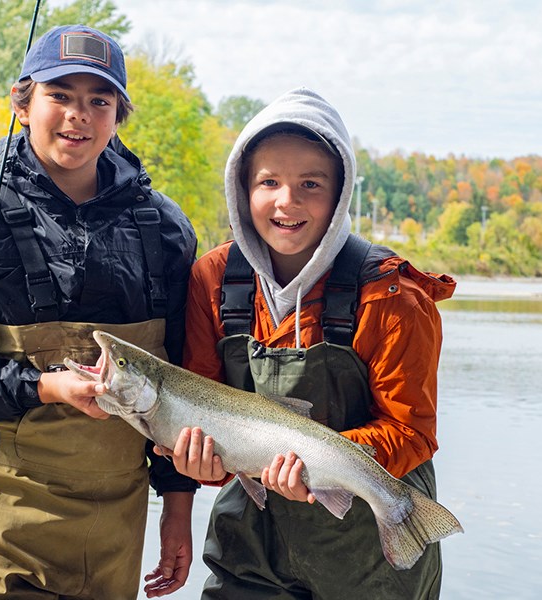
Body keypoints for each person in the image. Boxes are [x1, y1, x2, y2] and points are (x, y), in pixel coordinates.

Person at [0, 24, 198, 600]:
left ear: (118, 116)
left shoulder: (165, 231)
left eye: (99, 101)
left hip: (111, 527)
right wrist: (45, 387)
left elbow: (184, 383)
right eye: (60, 95)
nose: (78, 116)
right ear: (23, 103)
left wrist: (178, 506)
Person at [165, 87, 456, 598]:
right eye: (269, 181)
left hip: (368, 561)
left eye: (311, 184)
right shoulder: (211, 278)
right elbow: (203, 404)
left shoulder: (393, 295)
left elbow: (410, 434)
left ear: (340, 192)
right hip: (249, 552)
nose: (287, 201)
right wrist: (198, 464)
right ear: (241, 188)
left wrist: (316, 470)